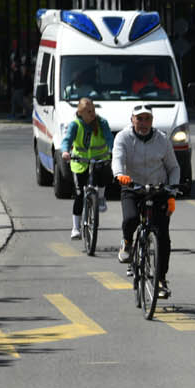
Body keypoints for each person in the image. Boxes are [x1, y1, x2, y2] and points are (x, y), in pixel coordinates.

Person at [112, 104, 180, 298]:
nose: (143, 123)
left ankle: (160, 280)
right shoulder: (123, 137)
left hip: (158, 190)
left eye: (147, 119)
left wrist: (172, 193)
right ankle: (127, 243)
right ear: (132, 119)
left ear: (152, 121)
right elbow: (117, 158)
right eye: (139, 119)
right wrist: (119, 174)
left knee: (162, 237)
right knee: (131, 219)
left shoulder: (162, 140)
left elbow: (174, 167)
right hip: (132, 187)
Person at [59, 97, 114, 237]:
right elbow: (67, 140)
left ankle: (100, 197)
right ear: (80, 113)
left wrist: (112, 150)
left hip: (100, 158)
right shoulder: (75, 125)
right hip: (80, 161)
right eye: (89, 111)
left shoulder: (102, 123)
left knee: (104, 175)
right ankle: (75, 228)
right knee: (79, 194)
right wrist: (65, 151)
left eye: (93, 111)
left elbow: (109, 138)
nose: (92, 114)